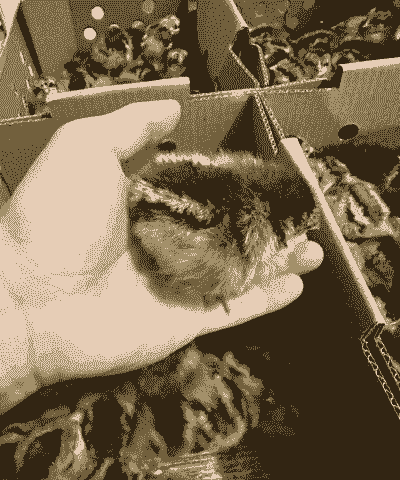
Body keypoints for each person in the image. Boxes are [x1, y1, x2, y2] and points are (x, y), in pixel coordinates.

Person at [0, 99, 324, 415]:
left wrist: (23, 322)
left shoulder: (236, 193)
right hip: (171, 221)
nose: (292, 239)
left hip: (162, 213)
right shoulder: (238, 225)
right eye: (297, 227)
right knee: (227, 266)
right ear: (278, 218)